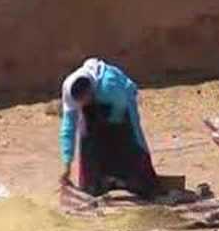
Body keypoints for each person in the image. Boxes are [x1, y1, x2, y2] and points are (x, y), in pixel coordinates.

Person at [58, 58, 160, 199]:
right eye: (81, 102)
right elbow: (68, 127)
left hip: (121, 103)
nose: (84, 104)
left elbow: (129, 123)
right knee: (86, 134)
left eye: (86, 99)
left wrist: (141, 149)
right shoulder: (69, 91)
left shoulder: (110, 88)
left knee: (125, 138)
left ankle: (139, 183)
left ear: (91, 91)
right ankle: (94, 185)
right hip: (100, 101)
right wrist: (66, 164)